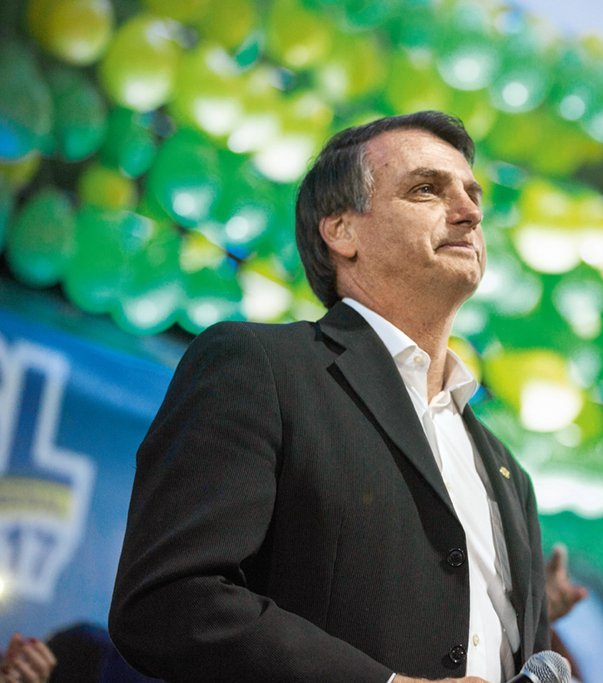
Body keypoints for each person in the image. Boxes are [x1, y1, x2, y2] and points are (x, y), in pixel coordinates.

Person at [109, 111, 551, 682]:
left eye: (472, 195)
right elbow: (168, 600)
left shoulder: (509, 473)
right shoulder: (260, 366)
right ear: (342, 231)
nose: (469, 213)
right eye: (426, 189)